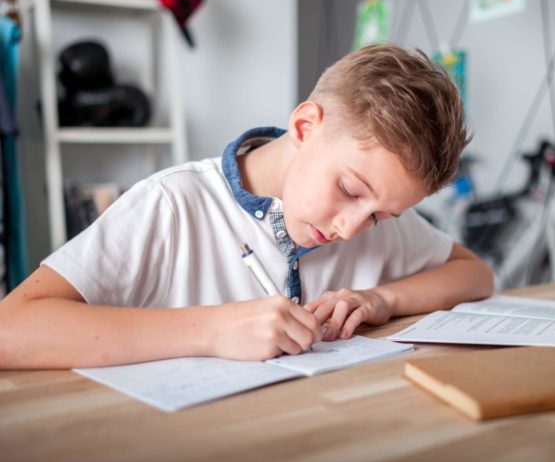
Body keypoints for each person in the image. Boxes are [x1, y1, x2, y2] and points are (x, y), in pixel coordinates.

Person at [0, 44, 494, 369]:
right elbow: (10, 329)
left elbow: (474, 273)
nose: (351, 228)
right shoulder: (173, 204)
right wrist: (213, 330)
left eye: (383, 216)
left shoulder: (373, 217)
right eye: (348, 189)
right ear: (305, 127)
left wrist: (382, 300)